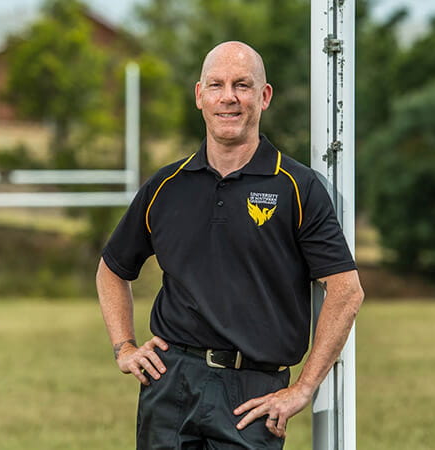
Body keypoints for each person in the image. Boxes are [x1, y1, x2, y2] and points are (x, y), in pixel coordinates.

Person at [96, 40, 364, 449]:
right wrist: (124, 346)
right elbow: (112, 270)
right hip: (170, 383)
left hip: (253, 394)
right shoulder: (166, 187)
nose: (229, 98)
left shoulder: (297, 186)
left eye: (242, 85)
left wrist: (303, 387)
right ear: (199, 96)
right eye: (217, 85)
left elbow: (346, 291)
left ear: (264, 96)